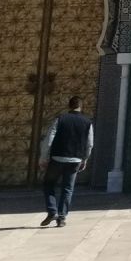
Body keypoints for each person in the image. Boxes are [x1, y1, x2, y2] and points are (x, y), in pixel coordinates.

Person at [38, 95, 93, 228]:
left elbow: (49, 139)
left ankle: (52, 211)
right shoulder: (87, 122)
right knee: (67, 188)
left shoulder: (60, 119)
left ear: (69, 106)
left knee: (49, 184)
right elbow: (90, 143)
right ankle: (61, 218)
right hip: (75, 160)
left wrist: (43, 157)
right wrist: (84, 159)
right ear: (81, 106)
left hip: (57, 158)